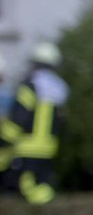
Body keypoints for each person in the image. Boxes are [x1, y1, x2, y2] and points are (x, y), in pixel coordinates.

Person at [0, 42, 69, 205]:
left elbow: (19, 118)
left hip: (26, 148)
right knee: (42, 189)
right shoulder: (59, 90)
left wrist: (3, 141)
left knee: (22, 191)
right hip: (48, 149)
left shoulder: (30, 86)